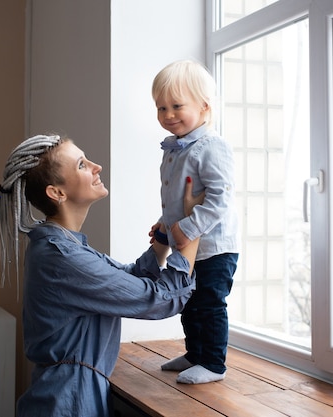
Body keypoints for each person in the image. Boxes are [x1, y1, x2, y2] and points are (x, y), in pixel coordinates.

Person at [0, 134, 203, 417]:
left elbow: (125, 279)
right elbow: (160, 299)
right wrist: (192, 229)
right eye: (82, 164)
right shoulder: (61, 256)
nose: (97, 167)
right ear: (57, 192)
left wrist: (163, 240)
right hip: (67, 404)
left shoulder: (60, 246)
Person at [150, 60, 239, 384]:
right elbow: (177, 199)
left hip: (214, 246)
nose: (168, 114)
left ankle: (213, 363)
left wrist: (185, 228)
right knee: (188, 299)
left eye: (177, 106)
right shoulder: (174, 150)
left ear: (203, 106)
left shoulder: (211, 147)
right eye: (161, 107)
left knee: (209, 303)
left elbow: (220, 199)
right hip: (187, 246)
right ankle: (194, 353)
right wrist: (164, 225)